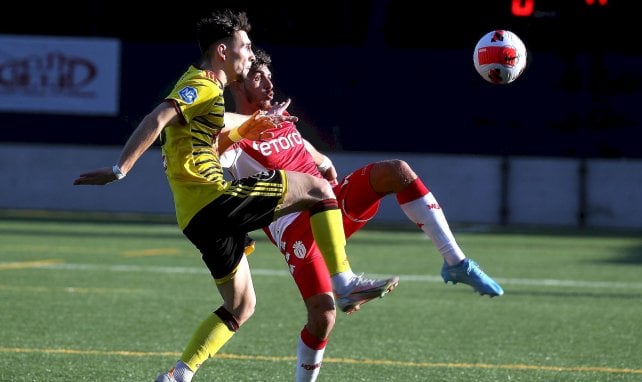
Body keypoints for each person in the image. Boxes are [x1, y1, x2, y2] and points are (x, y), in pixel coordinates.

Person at [73, 10, 397, 382]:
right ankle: (343, 282)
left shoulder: (207, 96)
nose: (249, 54)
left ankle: (179, 374)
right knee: (319, 189)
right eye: (245, 47)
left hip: (195, 220)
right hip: (215, 202)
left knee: (241, 306)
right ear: (223, 51)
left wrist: (249, 128)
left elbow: (205, 146)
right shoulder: (204, 85)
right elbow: (158, 117)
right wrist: (120, 170)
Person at [222, 48, 504, 381]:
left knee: (397, 171)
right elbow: (217, 151)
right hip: (296, 230)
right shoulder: (235, 138)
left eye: (270, 75)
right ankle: (340, 297)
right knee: (322, 317)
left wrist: (323, 161)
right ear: (238, 86)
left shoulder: (281, 120)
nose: (269, 82)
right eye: (258, 77)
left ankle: (457, 263)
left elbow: (311, 155)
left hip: (328, 207)